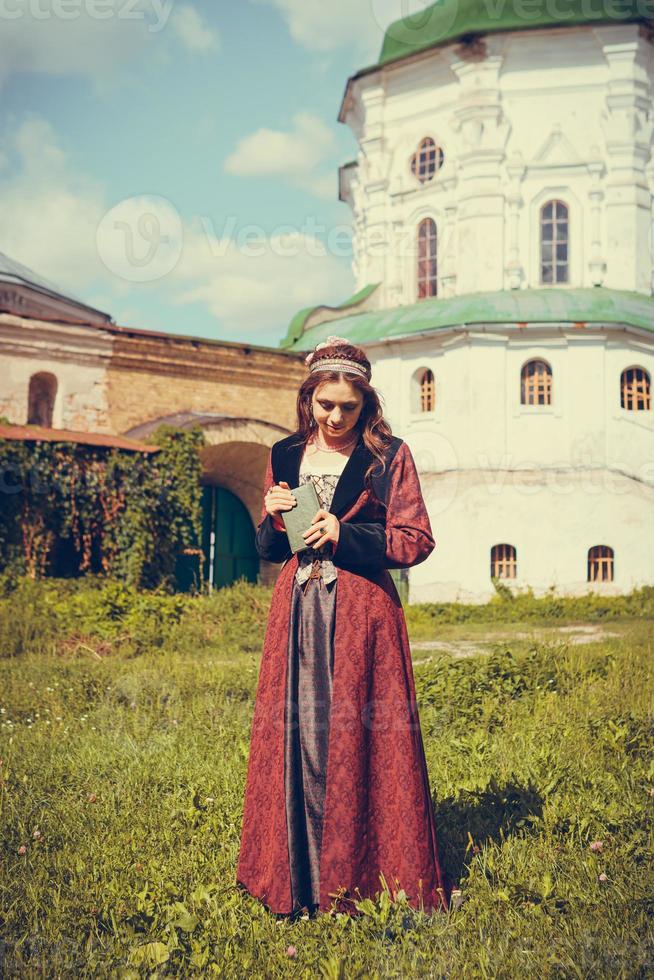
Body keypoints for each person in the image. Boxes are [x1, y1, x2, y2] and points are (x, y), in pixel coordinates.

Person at [236, 336, 449, 919]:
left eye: (346, 407)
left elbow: (415, 539)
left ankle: (361, 876)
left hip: (360, 612)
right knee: (297, 732)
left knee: (359, 731)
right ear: (309, 398)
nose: (333, 417)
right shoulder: (284, 453)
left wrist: (344, 534)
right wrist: (275, 518)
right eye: (323, 405)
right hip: (296, 609)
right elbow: (265, 546)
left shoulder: (388, 457)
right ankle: (292, 878)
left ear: (366, 404)